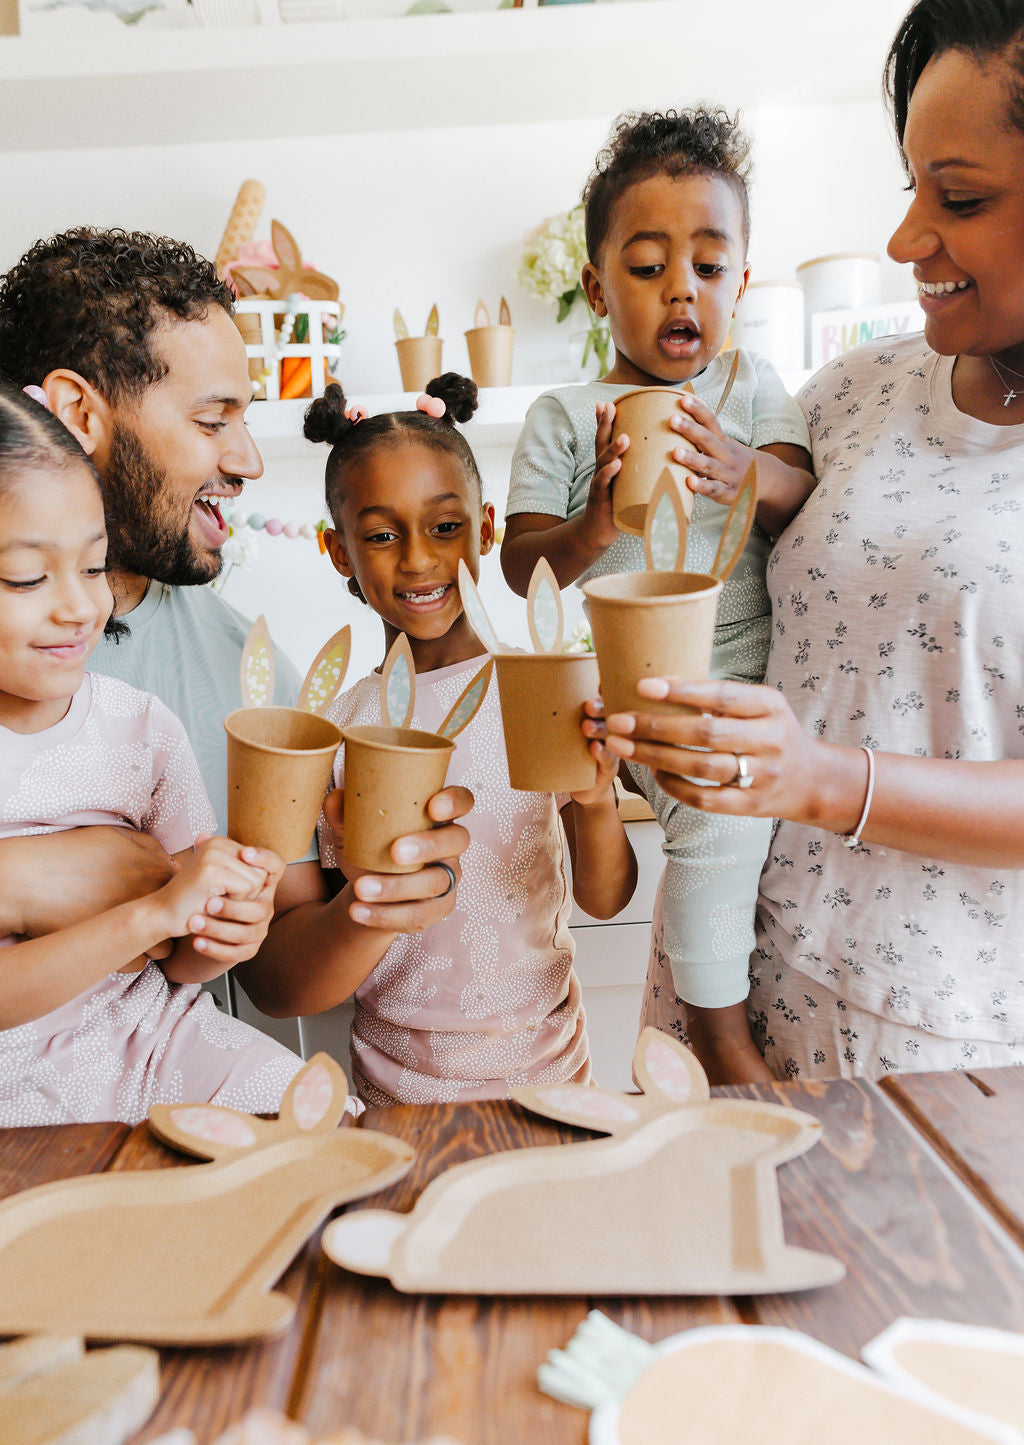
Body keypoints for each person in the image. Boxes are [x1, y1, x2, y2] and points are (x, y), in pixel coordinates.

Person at [602, 0, 1024, 1080]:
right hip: (733, 966)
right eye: (911, 186)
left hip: (941, 1032)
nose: (904, 240)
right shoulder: (849, 394)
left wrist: (820, 779)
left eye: (961, 196)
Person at [0, 228, 474, 1001]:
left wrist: (372, 901)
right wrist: (32, 875)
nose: (248, 458)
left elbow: (276, 976)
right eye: (213, 420)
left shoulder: (241, 670)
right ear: (78, 413)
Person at [502, 108, 816, 1083]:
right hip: (615, 689)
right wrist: (595, 519)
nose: (681, 287)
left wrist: (742, 470)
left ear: (741, 282)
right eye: (646, 266)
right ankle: (715, 1036)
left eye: (708, 266)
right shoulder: (562, 415)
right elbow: (522, 567)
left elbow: (799, 492)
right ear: (596, 286)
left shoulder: (751, 387)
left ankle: (704, 1024)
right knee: (668, 823)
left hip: (731, 683)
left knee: (721, 823)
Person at [237, 375, 637, 1105]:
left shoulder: (543, 691)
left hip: (554, 1080)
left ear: (486, 527)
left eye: (445, 527)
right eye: (383, 534)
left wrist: (597, 798)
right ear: (337, 550)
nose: (418, 559)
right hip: (398, 1099)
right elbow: (290, 964)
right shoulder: (335, 732)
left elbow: (606, 897)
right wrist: (370, 891)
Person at [0, 383, 306, 1125]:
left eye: (96, 565)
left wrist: (226, 924)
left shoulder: (140, 727)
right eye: (28, 578)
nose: (80, 607)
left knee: (319, 1123)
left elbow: (184, 959)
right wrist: (147, 917)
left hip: (154, 1048)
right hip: (17, 1091)